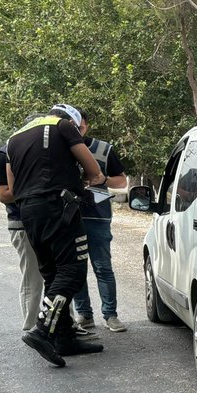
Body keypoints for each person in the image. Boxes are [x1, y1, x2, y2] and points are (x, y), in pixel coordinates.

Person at [6, 104, 108, 366]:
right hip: (59, 206)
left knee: (52, 272)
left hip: (28, 211)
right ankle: (42, 331)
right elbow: (94, 170)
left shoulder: (14, 138)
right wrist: (89, 179)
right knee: (72, 270)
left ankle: (63, 338)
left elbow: (12, 186)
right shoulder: (63, 127)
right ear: (71, 122)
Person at [72, 110, 130, 332]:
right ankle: (84, 315)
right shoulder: (58, 149)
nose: (77, 129)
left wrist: (103, 179)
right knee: (76, 268)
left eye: (81, 126)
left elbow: (121, 181)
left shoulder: (104, 149)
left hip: (97, 216)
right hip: (70, 218)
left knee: (103, 267)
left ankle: (111, 315)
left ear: (86, 125)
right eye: (72, 126)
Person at [0, 140, 43, 332]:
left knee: (59, 275)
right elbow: (3, 194)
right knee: (32, 276)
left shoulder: (47, 151)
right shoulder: (3, 155)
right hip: (22, 223)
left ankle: (64, 324)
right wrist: (37, 190)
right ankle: (32, 327)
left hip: (52, 221)